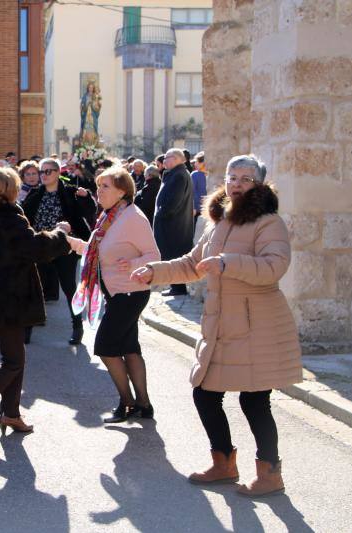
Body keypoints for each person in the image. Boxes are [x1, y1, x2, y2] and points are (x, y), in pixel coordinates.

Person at [132, 154, 302, 498]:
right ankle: (223, 463)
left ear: (259, 184)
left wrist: (228, 263)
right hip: (222, 324)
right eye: (231, 177)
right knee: (205, 393)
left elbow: (274, 267)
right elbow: (193, 264)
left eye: (245, 178)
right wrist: (155, 272)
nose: (236, 184)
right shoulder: (219, 220)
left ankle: (269, 472)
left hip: (258, 325)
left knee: (255, 402)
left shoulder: (269, 222)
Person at [0, 165, 71, 438]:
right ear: (10, 190)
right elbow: (37, 248)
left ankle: (11, 414)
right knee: (13, 361)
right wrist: (60, 233)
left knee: (15, 357)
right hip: (9, 300)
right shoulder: (10, 219)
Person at [67, 166, 160, 422]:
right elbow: (98, 252)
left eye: (105, 186)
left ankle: (128, 402)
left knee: (106, 347)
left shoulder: (132, 218)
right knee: (129, 348)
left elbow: (154, 256)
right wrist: (72, 242)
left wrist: (130, 265)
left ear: (122, 191)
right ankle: (143, 405)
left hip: (130, 292)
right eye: (98, 186)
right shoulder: (110, 217)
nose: (99, 191)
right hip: (118, 293)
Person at [22, 157, 96, 345]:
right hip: (40, 246)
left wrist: (86, 197)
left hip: (64, 247)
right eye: (41, 172)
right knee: (33, 287)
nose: (43, 175)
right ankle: (28, 327)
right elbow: (23, 215)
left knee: (69, 287)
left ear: (57, 173)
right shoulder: (35, 194)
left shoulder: (71, 192)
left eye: (48, 171)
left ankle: (77, 326)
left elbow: (89, 211)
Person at [153, 148, 194, 296]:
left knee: (174, 255)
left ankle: (178, 288)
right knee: (172, 254)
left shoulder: (179, 176)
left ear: (177, 159)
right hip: (172, 223)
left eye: (168, 158)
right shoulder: (175, 174)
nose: (164, 161)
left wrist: (162, 214)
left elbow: (173, 202)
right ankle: (176, 286)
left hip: (174, 224)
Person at [191, 151, 208, 225]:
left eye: (196, 162)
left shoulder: (195, 175)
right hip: (198, 209)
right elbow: (192, 192)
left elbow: (192, 192)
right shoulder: (195, 174)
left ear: (203, 163)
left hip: (200, 209)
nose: (195, 164)